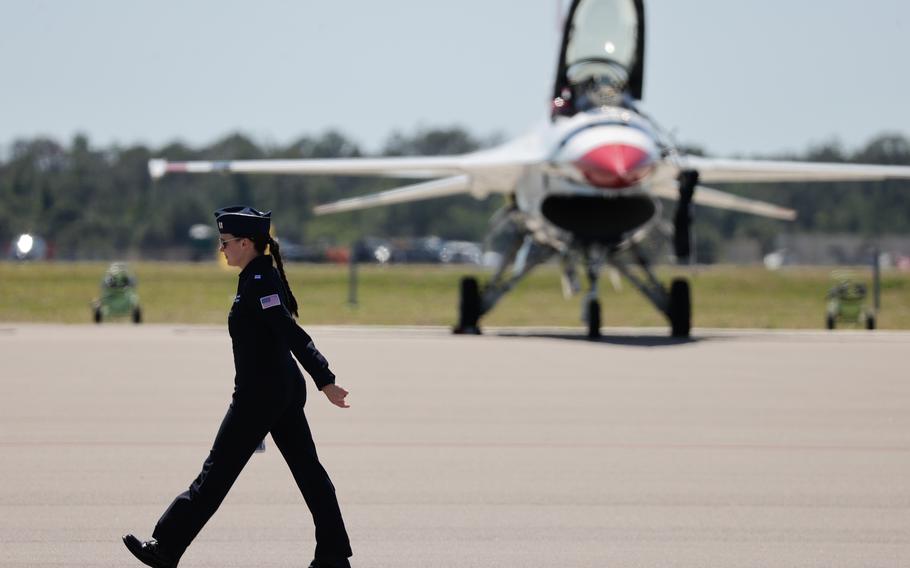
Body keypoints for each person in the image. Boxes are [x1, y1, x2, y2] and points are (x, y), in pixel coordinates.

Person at [123, 205, 353, 568]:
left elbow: (290, 332)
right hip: (278, 390)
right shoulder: (255, 277)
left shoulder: (260, 282)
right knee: (309, 472)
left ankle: (165, 547)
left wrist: (325, 378)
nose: (221, 249)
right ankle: (333, 555)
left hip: (262, 395)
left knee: (216, 473)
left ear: (246, 243)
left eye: (225, 242)